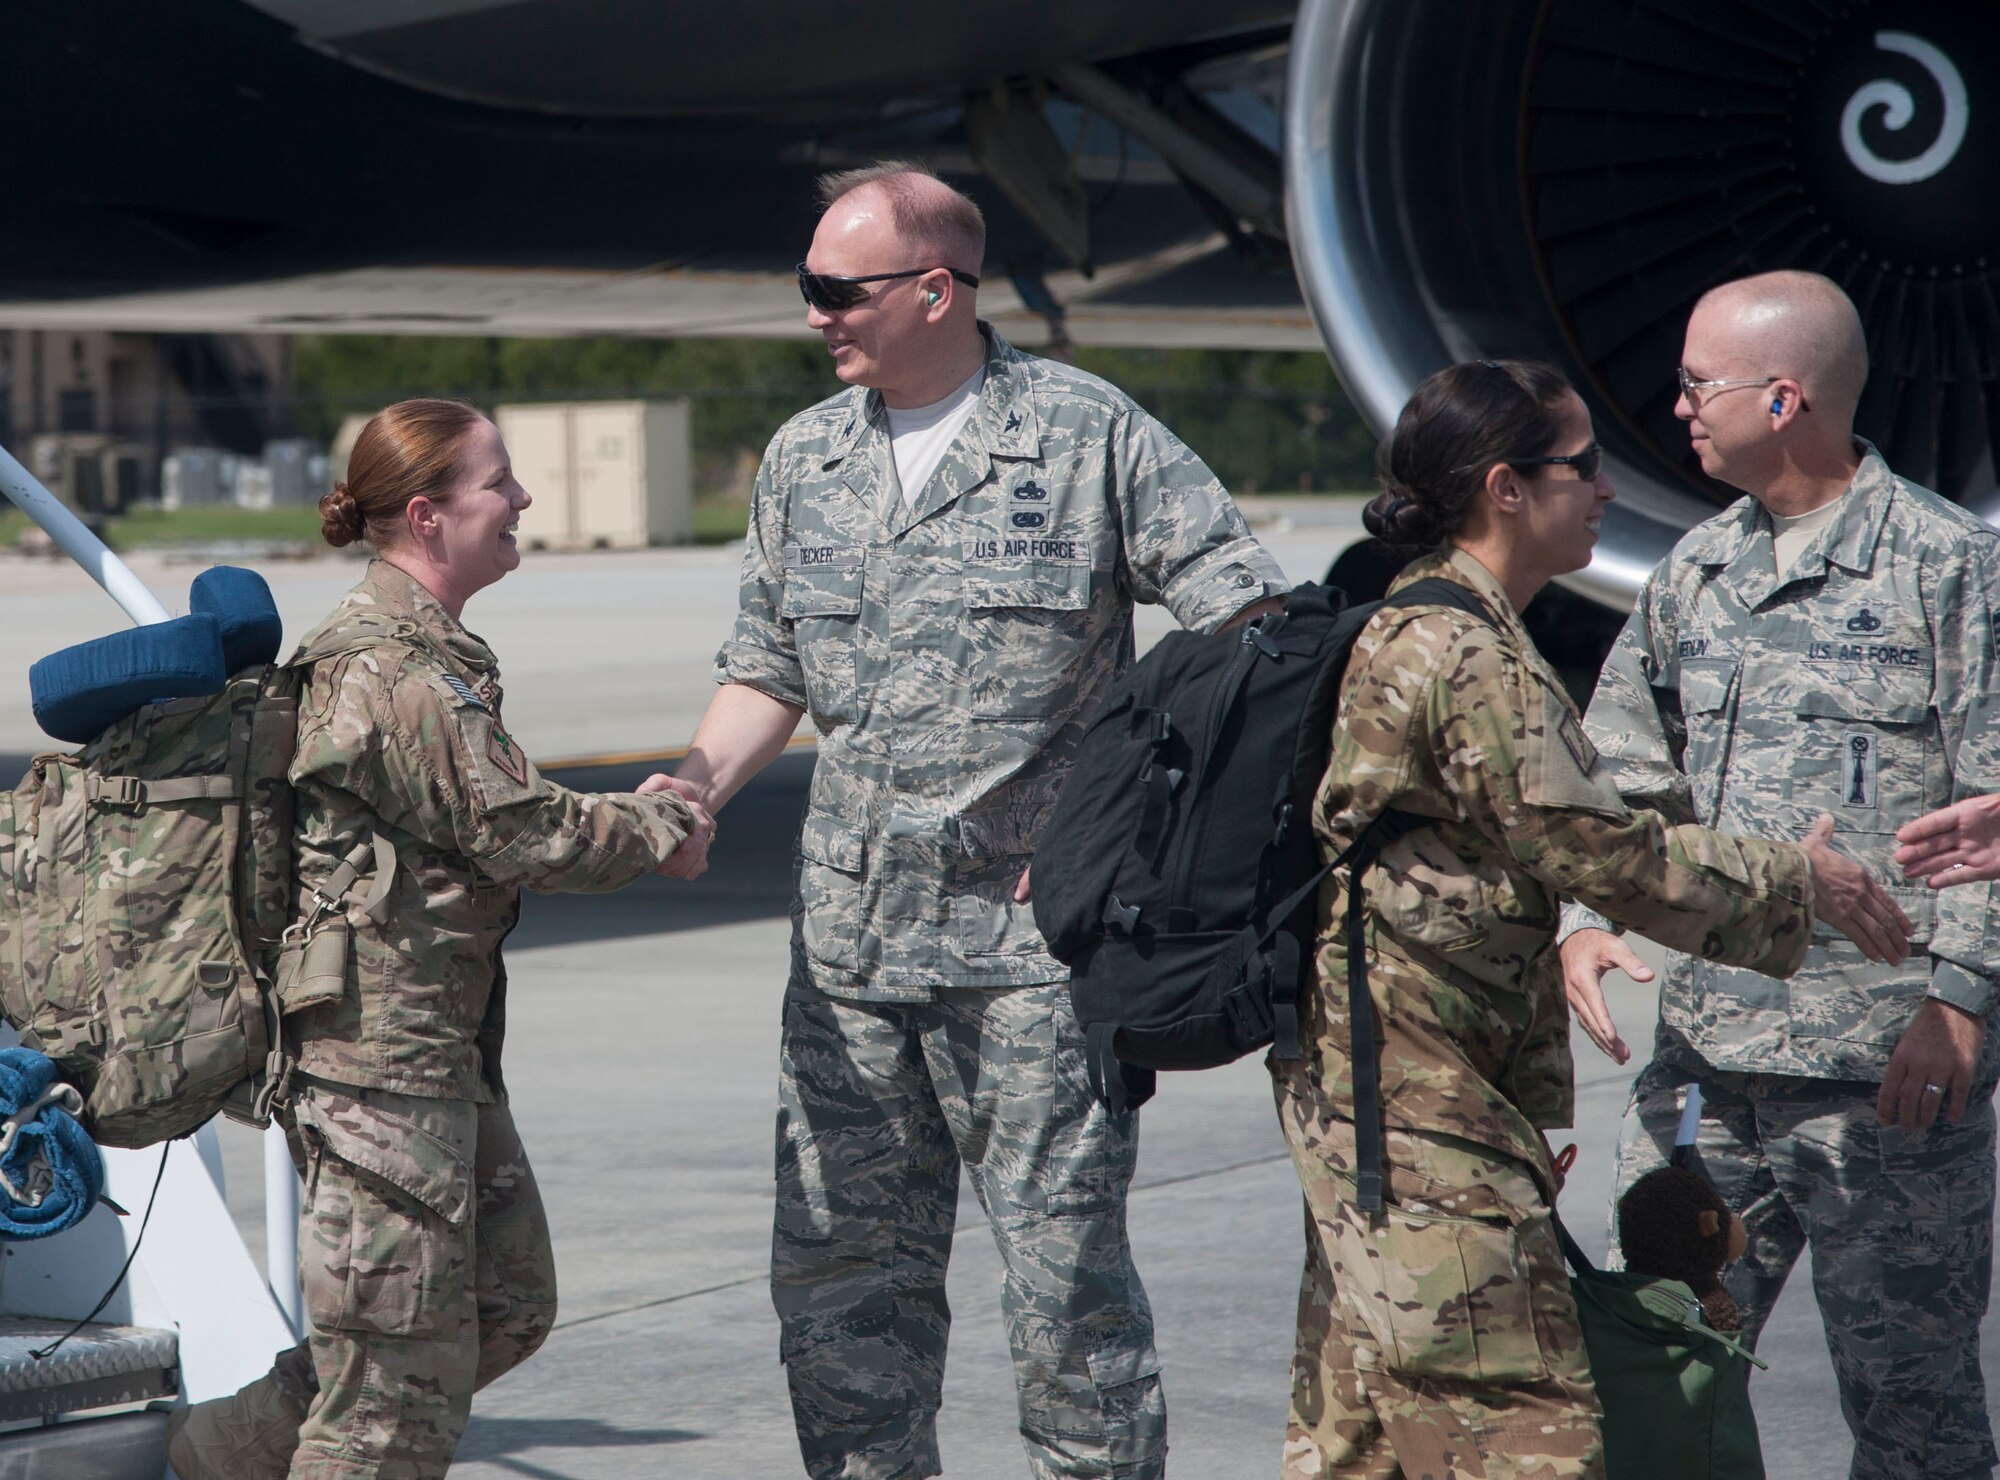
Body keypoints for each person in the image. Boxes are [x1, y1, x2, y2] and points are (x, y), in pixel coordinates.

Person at [657, 161, 1287, 1480]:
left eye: (838, 290)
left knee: (1068, 1302)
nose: (817, 314)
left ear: (934, 290)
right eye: (808, 289)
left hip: (1032, 968)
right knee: (843, 1304)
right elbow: (765, 670)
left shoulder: (1086, 439)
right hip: (850, 958)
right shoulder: (804, 458)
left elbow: (1252, 637)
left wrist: (1143, 842)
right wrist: (693, 788)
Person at [1277, 357, 1910, 1480]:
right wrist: (1799, 882)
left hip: (1392, 1097)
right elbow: (1600, 854)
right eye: (1579, 465)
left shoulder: (1443, 626)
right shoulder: (1465, 655)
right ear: (1503, 487)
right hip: (1419, 1113)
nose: (1604, 487)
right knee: (1525, 1433)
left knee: (1365, 1440)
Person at [165, 398, 715, 1480]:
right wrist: (665, 824)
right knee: (389, 1406)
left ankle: (204, 1460)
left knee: (497, 1308)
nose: (519, 499)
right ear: (427, 515)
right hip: (377, 1073)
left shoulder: (420, 652)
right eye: (496, 480)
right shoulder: (396, 674)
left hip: (431, 1059)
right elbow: (531, 835)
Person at [1560, 270, 2000, 1480]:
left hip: (1886, 1082)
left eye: (1701, 383)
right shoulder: (1693, 571)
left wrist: (1958, 996)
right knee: (1657, 1371)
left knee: (1911, 1409)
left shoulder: (1944, 568)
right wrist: (1587, 916)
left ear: (1783, 396)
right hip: (1703, 1070)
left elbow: (1994, 802)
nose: (1680, 403)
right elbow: (1622, 777)